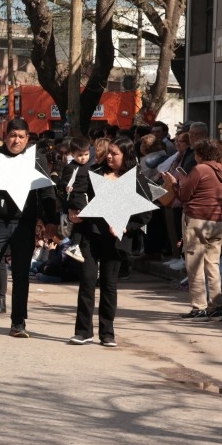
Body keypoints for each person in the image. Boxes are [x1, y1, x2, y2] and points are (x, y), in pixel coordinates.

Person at [0, 118, 59, 337]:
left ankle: (18, 322)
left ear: (27, 139)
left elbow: (47, 192)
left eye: (21, 136)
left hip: (24, 224)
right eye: (12, 135)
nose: (16, 140)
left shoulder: (36, 159)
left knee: (20, 275)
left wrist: (51, 221)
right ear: (5, 136)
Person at [67, 136, 153, 347]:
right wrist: (76, 211)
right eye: (109, 152)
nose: (110, 157)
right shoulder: (94, 172)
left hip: (115, 240)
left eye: (115, 153)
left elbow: (145, 213)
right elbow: (76, 194)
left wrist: (126, 226)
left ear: (126, 155)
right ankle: (83, 331)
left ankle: (107, 333)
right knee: (87, 281)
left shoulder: (136, 179)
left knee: (109, 284)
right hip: (90, 235)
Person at [162, 140, 222, 321]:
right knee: (213, 264)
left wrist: (174, 183)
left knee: (194, 264)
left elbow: (184, 196)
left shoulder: (200, 169)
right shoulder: (220, 169)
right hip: (217, 221)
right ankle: (217, 306)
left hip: (197, 220)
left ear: (200, 154)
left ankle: (199, 307)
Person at [57, 137, 92, 262]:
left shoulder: (88, 166)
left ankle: (75, 245)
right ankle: (74, 244)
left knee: (81, 220)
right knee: (86, 215)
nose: (83, 158)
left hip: (84, 196)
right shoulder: (70, 167)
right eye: (80, 155)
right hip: (75, 196)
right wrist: (66, 187)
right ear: (73, 154)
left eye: (86, 154)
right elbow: (63, 182)